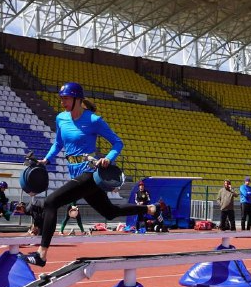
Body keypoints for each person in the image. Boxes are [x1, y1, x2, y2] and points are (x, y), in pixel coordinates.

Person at [19, 82, 155, 267]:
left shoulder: (93, 120)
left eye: (66, 98)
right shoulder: (61, 119)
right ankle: (148, 209)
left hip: (90, 174)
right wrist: (46, 160)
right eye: (61, 98)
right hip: (75, 175)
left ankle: (41, 255)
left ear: (77, 99)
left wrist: (108, 158)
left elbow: (117, 143)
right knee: (110, 213)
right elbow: (58, 143)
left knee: (50, 202)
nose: (62, 102)